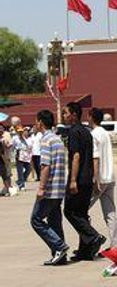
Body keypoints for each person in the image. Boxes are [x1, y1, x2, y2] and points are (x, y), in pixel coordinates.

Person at [62, 102, 106, 261]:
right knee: (81, 214)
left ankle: (93, 236)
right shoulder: (87, 132)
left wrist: (73, 180)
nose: (64, 116)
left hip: (79, 179)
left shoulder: (74, 132)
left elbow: (76, 156)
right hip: (87, 179)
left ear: (74, 114)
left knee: (70, 211)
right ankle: (85, 250)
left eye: (66, 113)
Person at [31, 110, 71, 265]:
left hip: (49, 189)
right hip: (59, 188)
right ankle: (60, 256)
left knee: (36, 220)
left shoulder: (46, 140)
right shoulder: (57, 139)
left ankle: (59, 246)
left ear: (40, 122)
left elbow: (45, 165)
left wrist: (41, 187)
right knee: (55, 221)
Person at [88, 108, 117, 252]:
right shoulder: (105, 133)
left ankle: (90, 239)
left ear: (91, 118)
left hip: (100, 178)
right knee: (110, 213)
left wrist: (95, 179)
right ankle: (115, 245)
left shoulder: (93, 135)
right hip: (110, 177)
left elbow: (96, 159)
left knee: (80, 211)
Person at [14, 126, 32, 191]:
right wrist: (16, 151)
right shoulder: (15, 138)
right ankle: (22, 185)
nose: (20, 132)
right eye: (19, 131)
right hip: (18, 155)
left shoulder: (24, 138)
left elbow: (27, 146)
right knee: (20, 171)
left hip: (25, 156)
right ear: (17, 131)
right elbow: (12, 147)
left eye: (21, 131)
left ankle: (20, 181)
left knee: (28, 169)